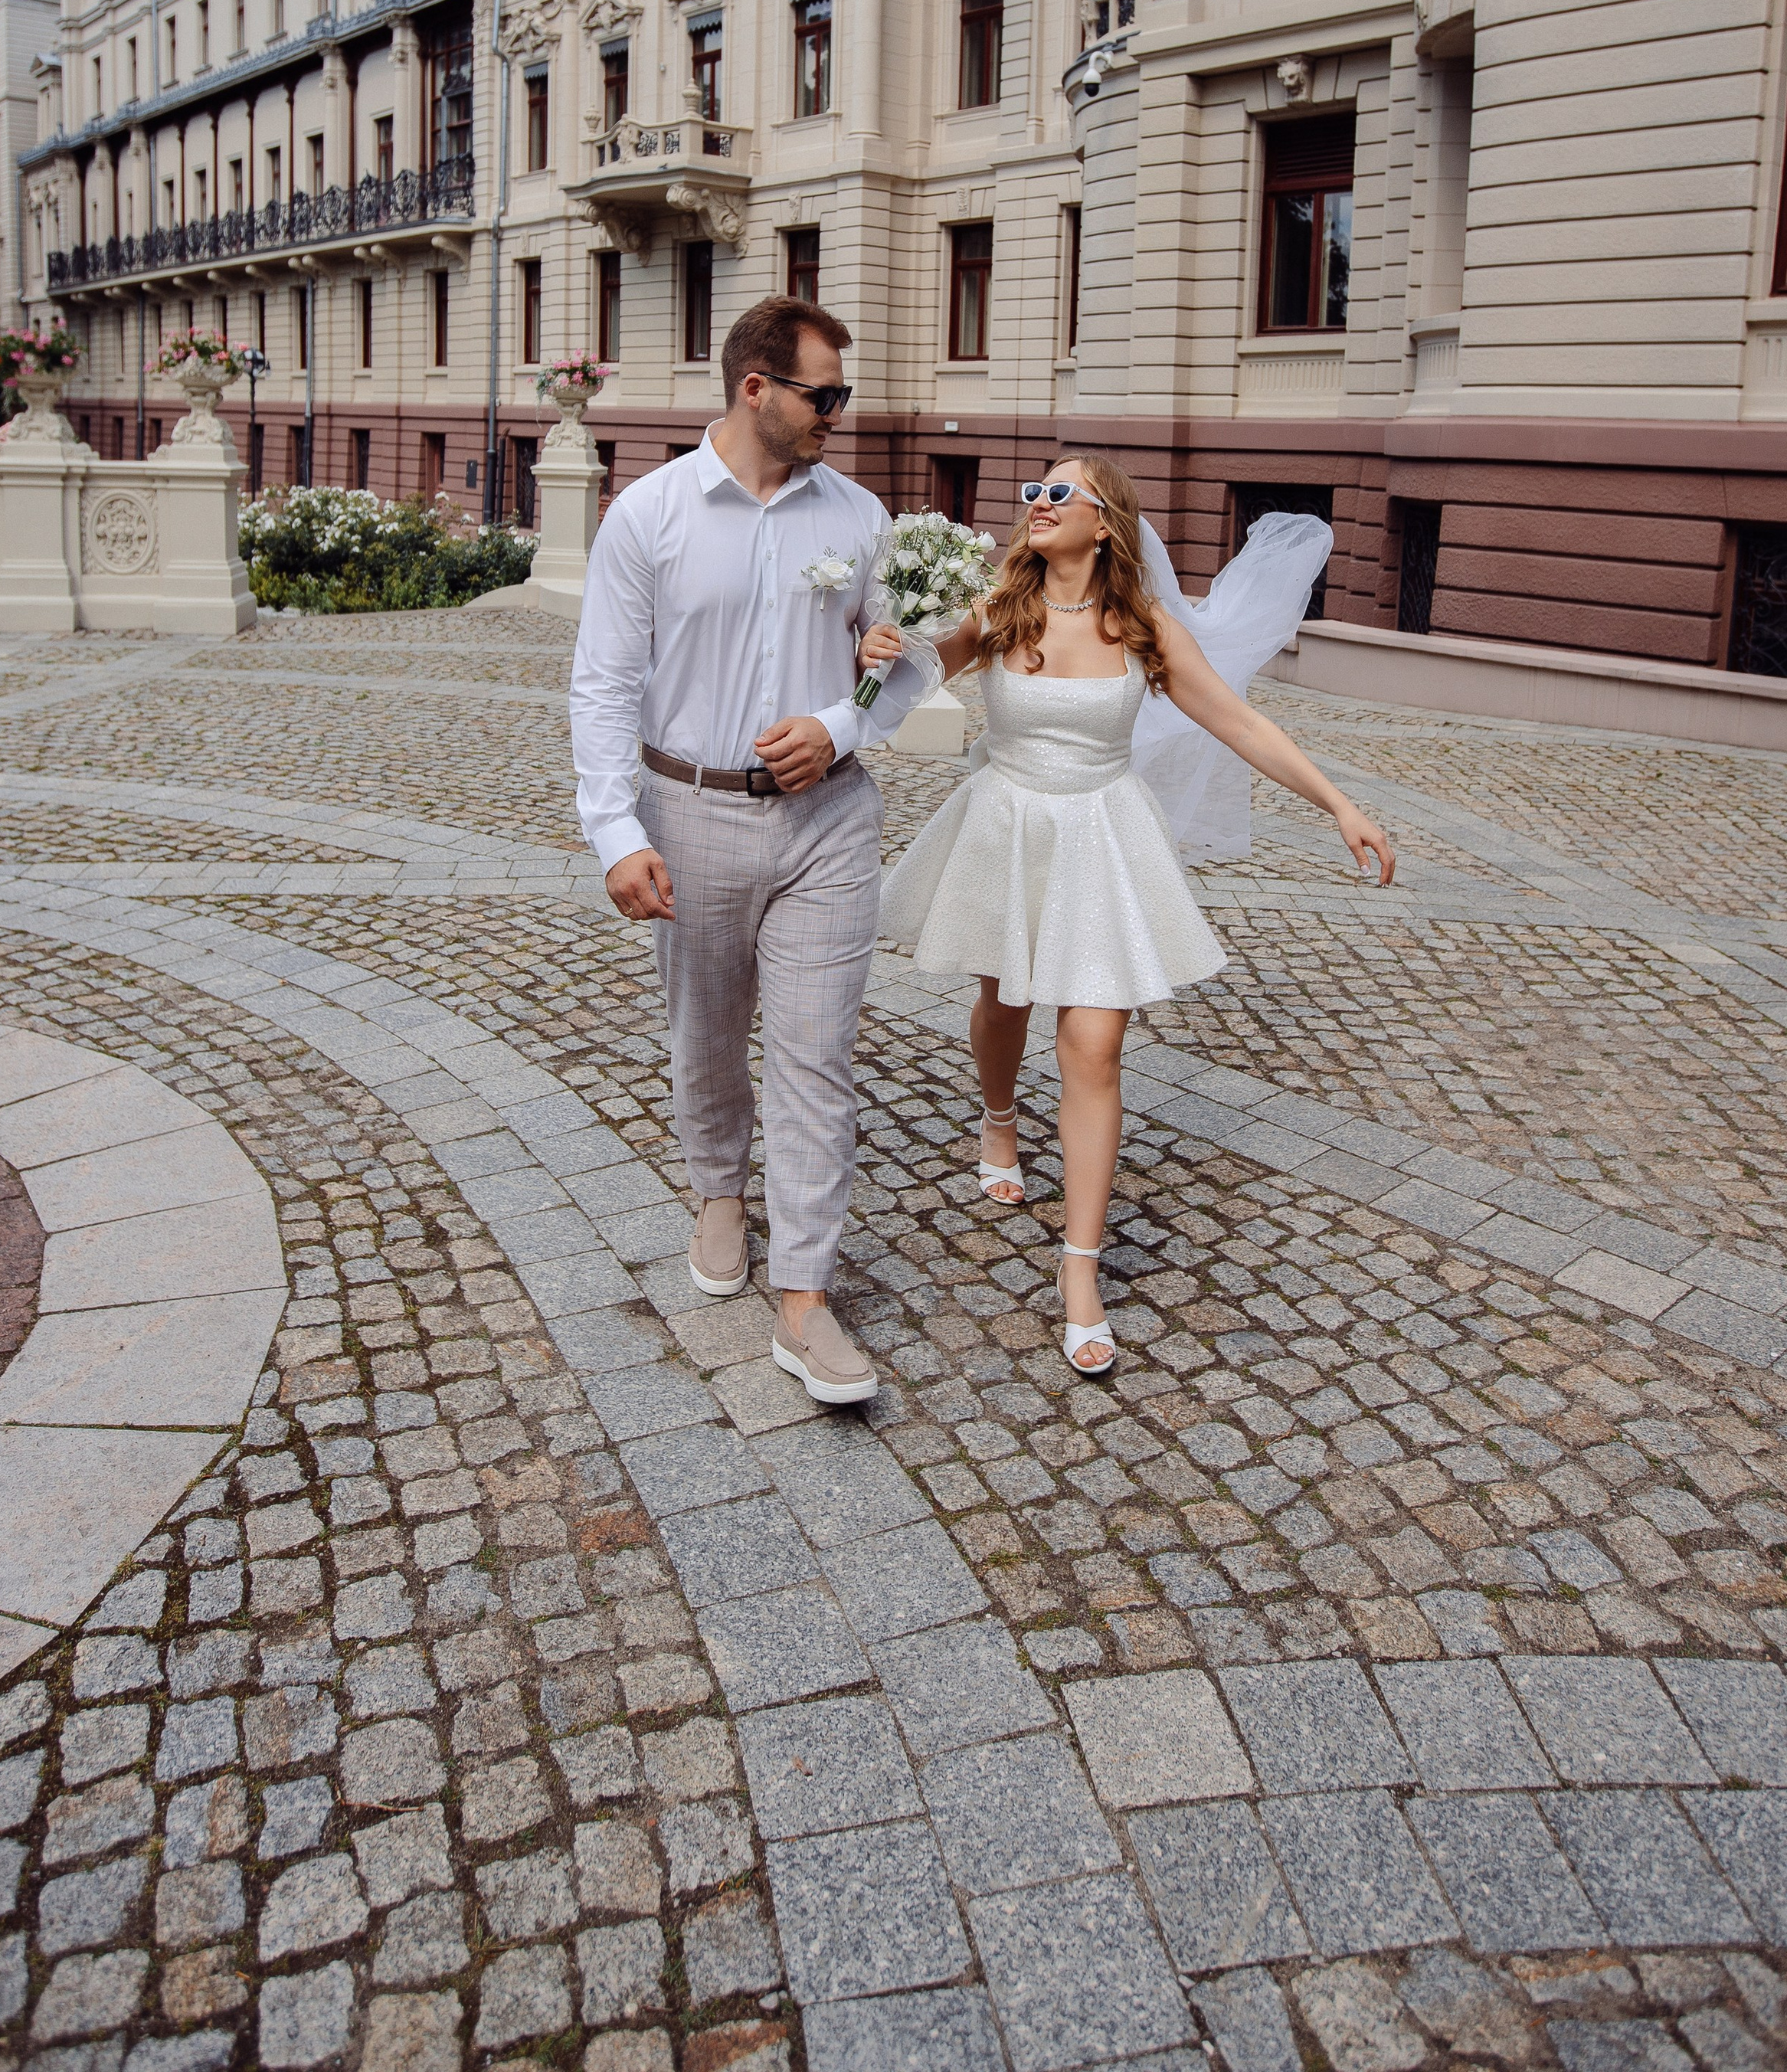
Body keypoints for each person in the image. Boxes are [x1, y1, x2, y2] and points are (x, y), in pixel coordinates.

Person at [869, 454, 1393, 1375]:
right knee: (1004, 1000)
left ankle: (1079, 1268)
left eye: (1058, 493)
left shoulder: (1144, 627)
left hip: (1101, 833)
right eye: (1032, 492)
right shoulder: (998, 609)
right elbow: (909, 680)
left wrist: (1339, 805)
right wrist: (884, 649)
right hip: (1008, 826)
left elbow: (1240, 724)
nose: (1037, 504)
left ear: (1104, 521)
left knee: (1095, 1045)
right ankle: (999, 1117)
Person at [570, 295, 926, 1406]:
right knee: (709, 1033)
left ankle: (805, 1299)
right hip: (691, 813)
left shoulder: (859, 516)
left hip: (830, 822)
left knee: (817, 1057)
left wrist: (842, 723)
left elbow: (904, 664)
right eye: (826, 394)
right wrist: (616, 832)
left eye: (843, 395)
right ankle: (719, 1191)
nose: (839, 414)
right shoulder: (649, 514)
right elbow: (603, 683)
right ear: (755, 388)